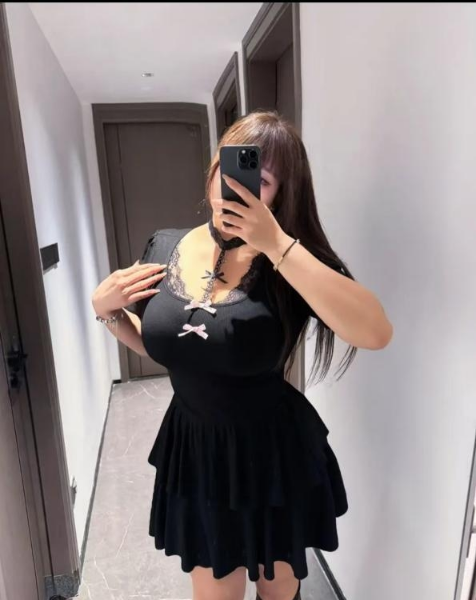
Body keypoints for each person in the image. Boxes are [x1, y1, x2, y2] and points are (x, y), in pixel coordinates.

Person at [92, 110, 393, 600]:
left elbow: (375, 332)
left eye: (259, 179)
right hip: (196, 449)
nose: (231, 186)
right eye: (224, 168)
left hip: (273, 452)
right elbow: (169, 347)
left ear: (281, 195)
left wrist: (276, 244)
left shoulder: (288, 262)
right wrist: (107, 312)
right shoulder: (164, 246)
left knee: (277, 591)